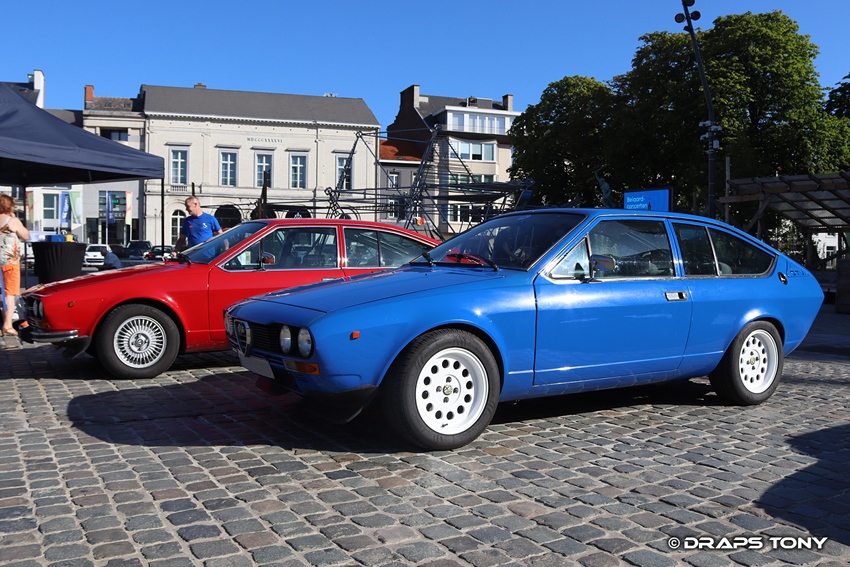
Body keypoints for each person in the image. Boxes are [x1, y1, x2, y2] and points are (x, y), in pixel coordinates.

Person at [0, 193, 30, 344]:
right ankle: (7, 325)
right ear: (9, 206)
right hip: (10, 262)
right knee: (10, 294)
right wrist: (13, 218)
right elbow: (25, 236)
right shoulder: (12, 221)